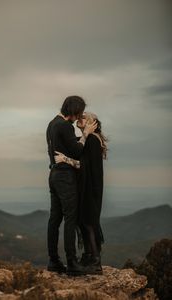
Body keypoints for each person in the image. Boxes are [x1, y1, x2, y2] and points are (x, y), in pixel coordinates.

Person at [46, 96, 97, 276]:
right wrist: (85, 134)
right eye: (79, 112)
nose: (79, 116)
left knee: (54, 219)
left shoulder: (52, 124)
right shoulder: (65, 126)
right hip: (65, 178)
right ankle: (72, 263)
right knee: (70, 219)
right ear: (74, 111)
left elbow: (64, 147)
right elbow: (76, 150)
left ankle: (53, 260)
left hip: (53, 174)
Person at [54, 112, 108, 275]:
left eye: (84, 118)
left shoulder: (91, 140)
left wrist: (64, 159)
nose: (79, 119)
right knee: (87, 222)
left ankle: (96, 262)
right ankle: (89, 256)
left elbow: (82, 165)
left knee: (88, 223)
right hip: (92, 187)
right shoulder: (91, 139)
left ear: (93, 124)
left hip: (90, 188)